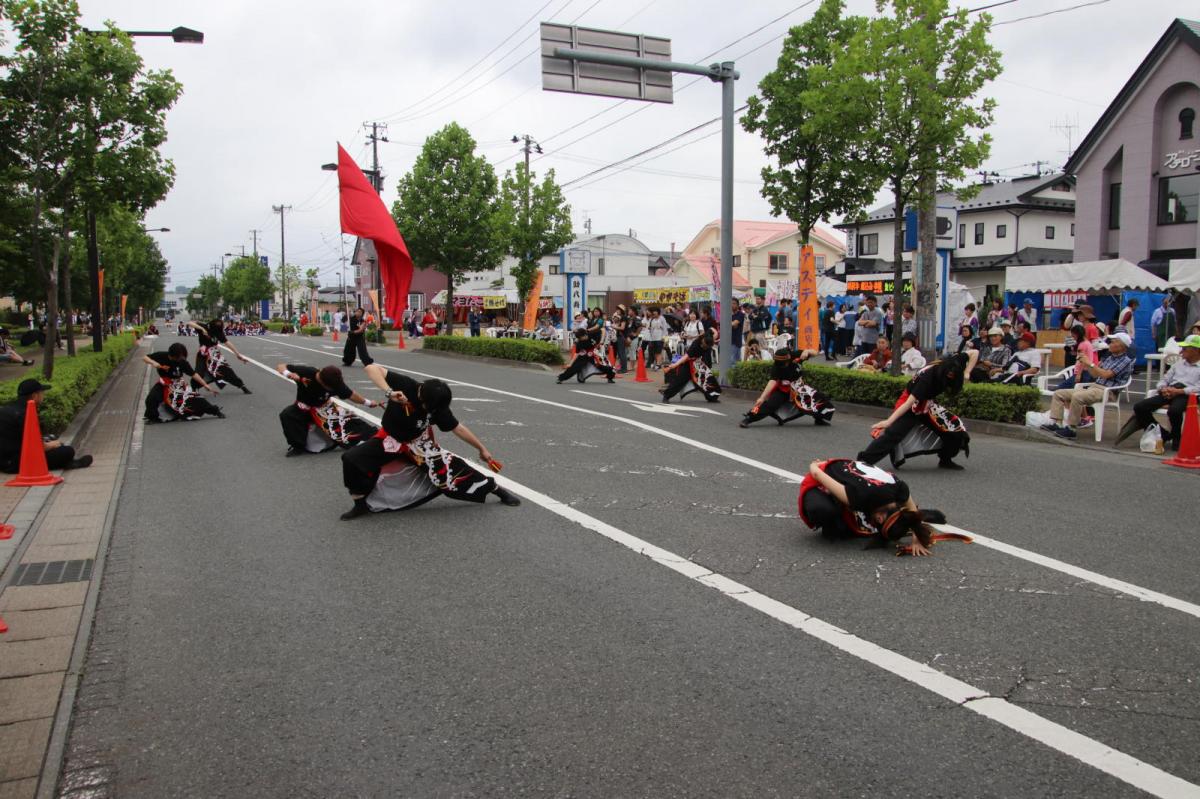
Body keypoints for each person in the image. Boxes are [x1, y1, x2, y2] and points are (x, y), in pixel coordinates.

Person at [339, 366, 520, 519]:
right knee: (351, 458)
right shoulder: (407, 386)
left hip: (419, 443)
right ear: (422, 395)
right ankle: (360, 502)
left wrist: (482, 449)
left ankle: (496, 489)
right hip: (390, 439)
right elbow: (371, 368)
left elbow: (458, 428)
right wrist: (389, 392)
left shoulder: (437, 407)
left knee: (454, 467)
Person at [799, 459, 961, 557]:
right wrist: (814, 465)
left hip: (851, 482)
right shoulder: (859, 496)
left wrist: (917, 539)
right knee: (826, 517)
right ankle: (832, 514)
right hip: (823, 476)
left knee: (854, 528)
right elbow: (816, 474)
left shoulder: (899, 489)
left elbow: (912, 512)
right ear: (879, 518)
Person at [857, 350, 979, 470]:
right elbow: (909, 403)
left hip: (928, 403)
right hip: (910, 403)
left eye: (953, 375)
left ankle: (945, 459)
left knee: (955, 428)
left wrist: (967, 372)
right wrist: (888, 422)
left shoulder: (956, 362)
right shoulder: (928, 378)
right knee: (893, 434)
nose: (950, 376)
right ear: (944, 368)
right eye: (948, 374)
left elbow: (975, 352)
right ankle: (863, 462)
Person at [1040, 333, 1134, 440]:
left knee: (1078, 396)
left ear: (1121, 346)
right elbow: (1094, 374)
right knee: (1059, 393)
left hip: (1108, 392)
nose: (1110, 344)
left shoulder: (1125, 361)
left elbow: (1106, 374)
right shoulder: (1109, 358)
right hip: (1095, 387)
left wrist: (1090, 363)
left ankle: (1072, 429)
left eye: (1113, 342)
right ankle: (1057, 423)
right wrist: (1085, 364)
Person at [1116, 334, 1200, 451]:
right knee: (1140, 407)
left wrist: (1179, 391)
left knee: (1174, 410)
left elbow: (1198, 387)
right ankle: (1163, 433)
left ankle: (1177, 438)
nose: (1182, 351)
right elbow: (1165, 379)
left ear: (1196, 350)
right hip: (1170, 390)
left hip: (1187, 394)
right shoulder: (1178, 364)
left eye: (1185, 348)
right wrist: (1163, 388)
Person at [276, 363, 380, 455]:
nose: (332, 390)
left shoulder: (336, 384)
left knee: (350, 421)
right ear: (322, 381)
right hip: (303, 406)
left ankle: (376, 438)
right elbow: (281, 365)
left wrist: (369, 403)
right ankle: (298, 446)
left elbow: (351, 395)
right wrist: (287, 373)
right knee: (287, 415)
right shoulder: (307, 372)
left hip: (325, 409)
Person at [0, 379, 93, 472]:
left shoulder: (8, 408)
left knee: (51, 438)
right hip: (18, 463)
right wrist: (52, 445)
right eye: (42, 393)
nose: (43, 395)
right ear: (34, 396)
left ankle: (68, 462)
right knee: (67, 451)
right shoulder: (26, 414)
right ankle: (69, 462)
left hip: (4, 460)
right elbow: (37, 446)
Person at [739, 347, 834, 428]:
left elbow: (815, 352)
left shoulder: (795, 355)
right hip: (784, 389)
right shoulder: (776, 367)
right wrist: (762, 397)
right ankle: (749, 418)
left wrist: (807, 351)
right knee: (770, 404)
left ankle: (819, 419)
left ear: (788, 359)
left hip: (799, 388)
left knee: (819, 398)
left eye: (783, 363)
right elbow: (772, 382)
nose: (782, 365)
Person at [143, 344, 224, 423]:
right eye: (177, 357)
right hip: (164, 383)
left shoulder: (182, 362)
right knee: (151, 398)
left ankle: (215, 411)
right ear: (171, 355)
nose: (180, 359)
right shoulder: (161, 356)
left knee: (197, 399)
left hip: (178, 385)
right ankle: (152, 417)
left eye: (181, 357)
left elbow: (193, 374)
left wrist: (205, 385)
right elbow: (145, 357)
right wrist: (153, 362)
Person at [188, 320, 252, 394]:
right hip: (203, 354)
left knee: (227, 370)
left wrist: (237, 354)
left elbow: (227, 342)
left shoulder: (219, 332)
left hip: (215, 354)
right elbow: (190, 323)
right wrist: (202, 329)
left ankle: (241, 386)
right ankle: (194, 388)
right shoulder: (204, 327)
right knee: (199, 372)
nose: (217, 331)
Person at [660, 333, 720, 403]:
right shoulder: (695, 345)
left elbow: (714, 331)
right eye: (704, 346)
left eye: (706, 347)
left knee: (708, 378)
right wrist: (675, 365)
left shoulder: (709, 339)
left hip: (698, 363)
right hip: (688, 363)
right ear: (703, 341)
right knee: (679, 380)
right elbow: (686, 357)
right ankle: (666, 396)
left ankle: (712, 397)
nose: (705, 348)